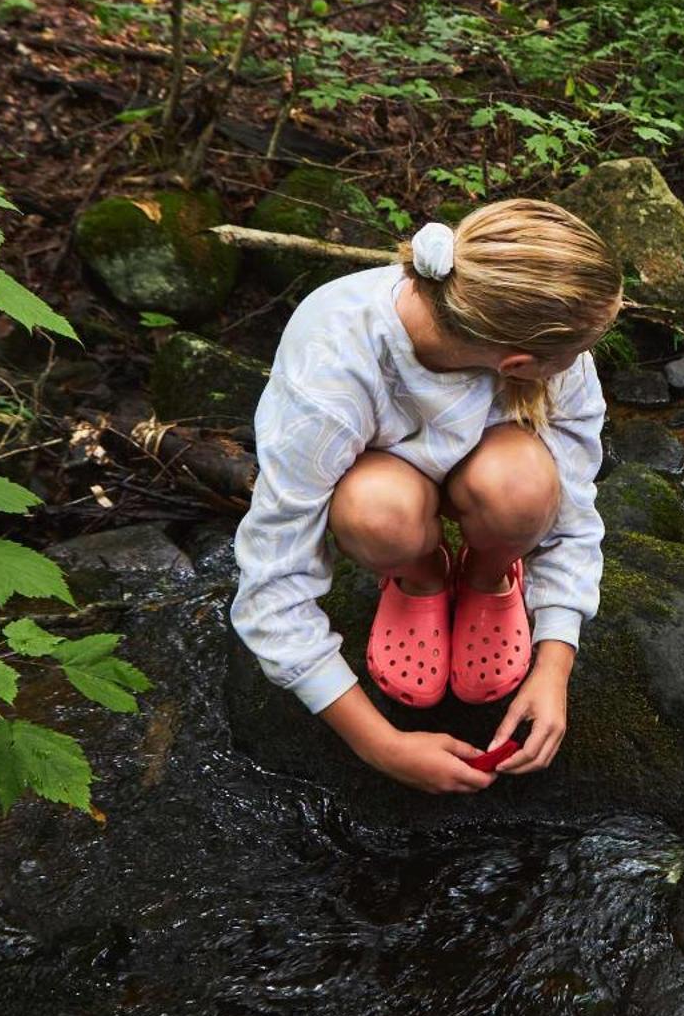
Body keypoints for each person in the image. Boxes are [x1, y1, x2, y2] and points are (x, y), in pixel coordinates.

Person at [230, 199, 621, 794]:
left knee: (523, 486)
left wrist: (555, 663)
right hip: (385, 488)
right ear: (517, 363)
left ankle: (489, 575)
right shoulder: (331, 364)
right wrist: (380, 745)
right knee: (373, 513)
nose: (584, 361)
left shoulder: (547, 355)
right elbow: (272, 580)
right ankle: (421, 575)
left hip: (491, 474)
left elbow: (571, 509)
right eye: (580, 351)